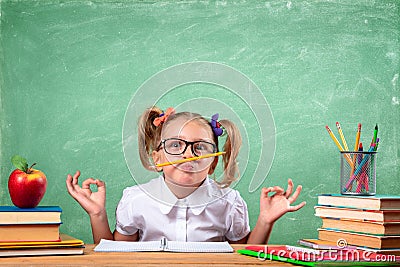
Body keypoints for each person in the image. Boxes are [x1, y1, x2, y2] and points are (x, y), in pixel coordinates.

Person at [66, 106, 306, 244]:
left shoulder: (229, 203)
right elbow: (115, 260)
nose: (187, 155)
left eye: (200, 147)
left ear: (212, 163)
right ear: (157, 157)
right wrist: (97, 214)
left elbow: (245, 260)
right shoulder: (135, 199)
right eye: (175, 145)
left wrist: (266, 221)